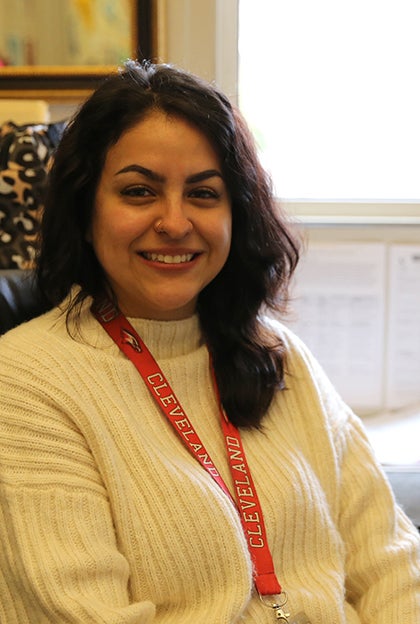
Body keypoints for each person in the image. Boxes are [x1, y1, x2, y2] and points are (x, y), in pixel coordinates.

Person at [0, 61, 419, 624]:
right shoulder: (25, 380)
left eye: (203, 193)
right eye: (139, 191)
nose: (175, 222)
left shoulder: (279, 353)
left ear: (235, 212)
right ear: (85, 209)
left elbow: (393, 568)